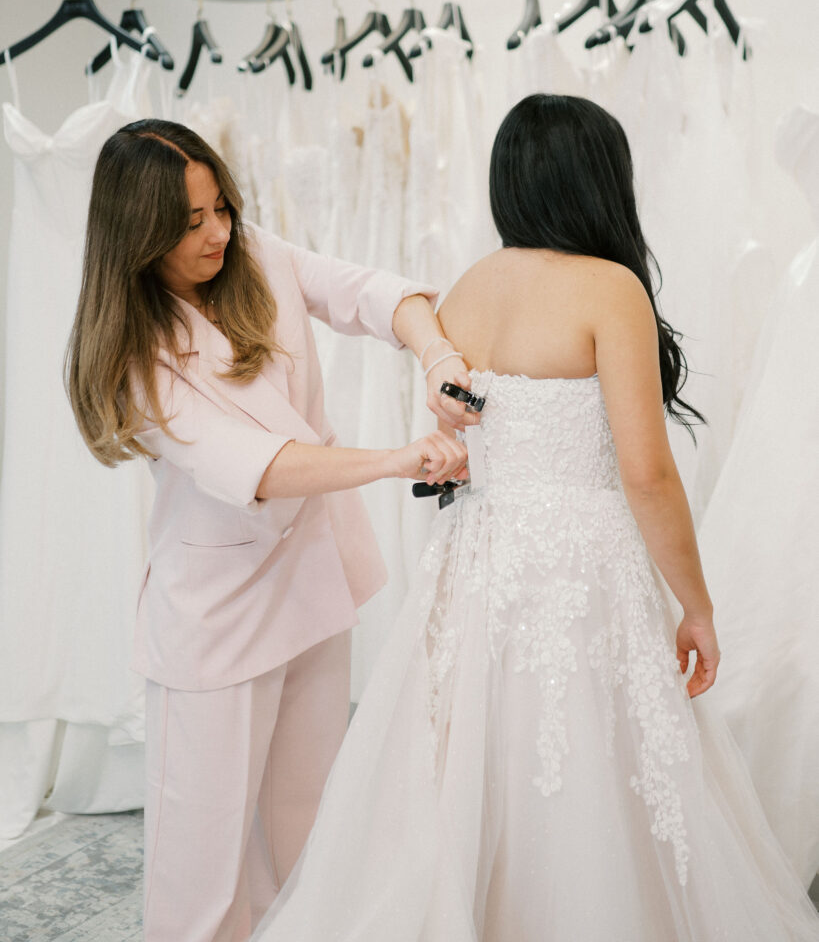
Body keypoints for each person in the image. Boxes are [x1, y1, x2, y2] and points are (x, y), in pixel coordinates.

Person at [248, 95, 819, 941]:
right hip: (581, 566)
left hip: (477, 558)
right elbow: (647, 473)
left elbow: (461, 439)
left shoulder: (472, 287)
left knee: (475, 765)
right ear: (602, 181)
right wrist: (695, 605)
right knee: (583, 773)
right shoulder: (609, 288)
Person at [65, 118, 473, 942]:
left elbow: (373, 293)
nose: (217, 232)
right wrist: (398, 460)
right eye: (190, 223)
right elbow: (257, 466)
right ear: (138, 237)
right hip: (215, 622)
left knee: (307, 836)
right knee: (202, 872)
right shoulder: (132, 356)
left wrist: (434, 356)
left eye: (221, 207)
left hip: (311, 590)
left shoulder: (253, 255)